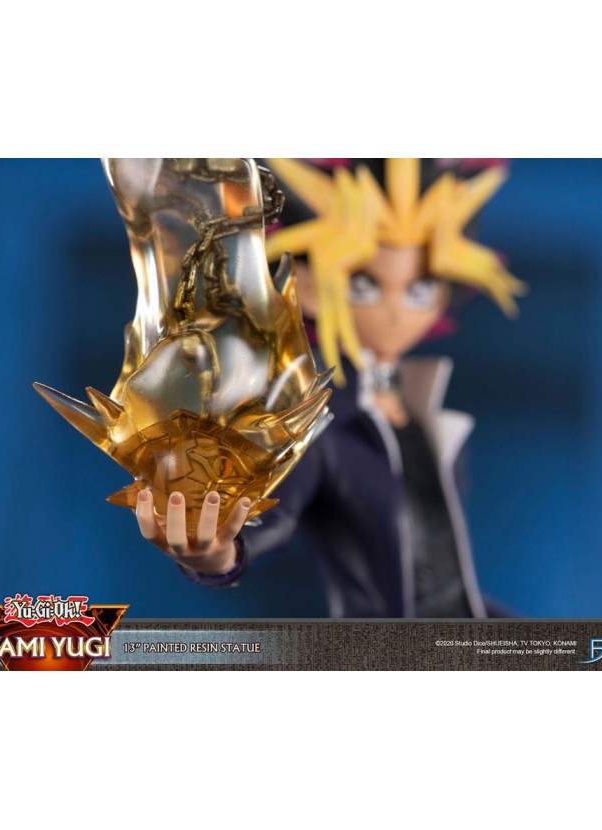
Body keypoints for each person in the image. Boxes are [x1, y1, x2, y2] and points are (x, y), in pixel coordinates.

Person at [135, 158, 526, 617]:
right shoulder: (323, 425)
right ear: (306, 283)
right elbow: (273, 517)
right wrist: (218, 554)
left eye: (419, 288)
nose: (395, 312)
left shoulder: (424, 410)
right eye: (363, 284)